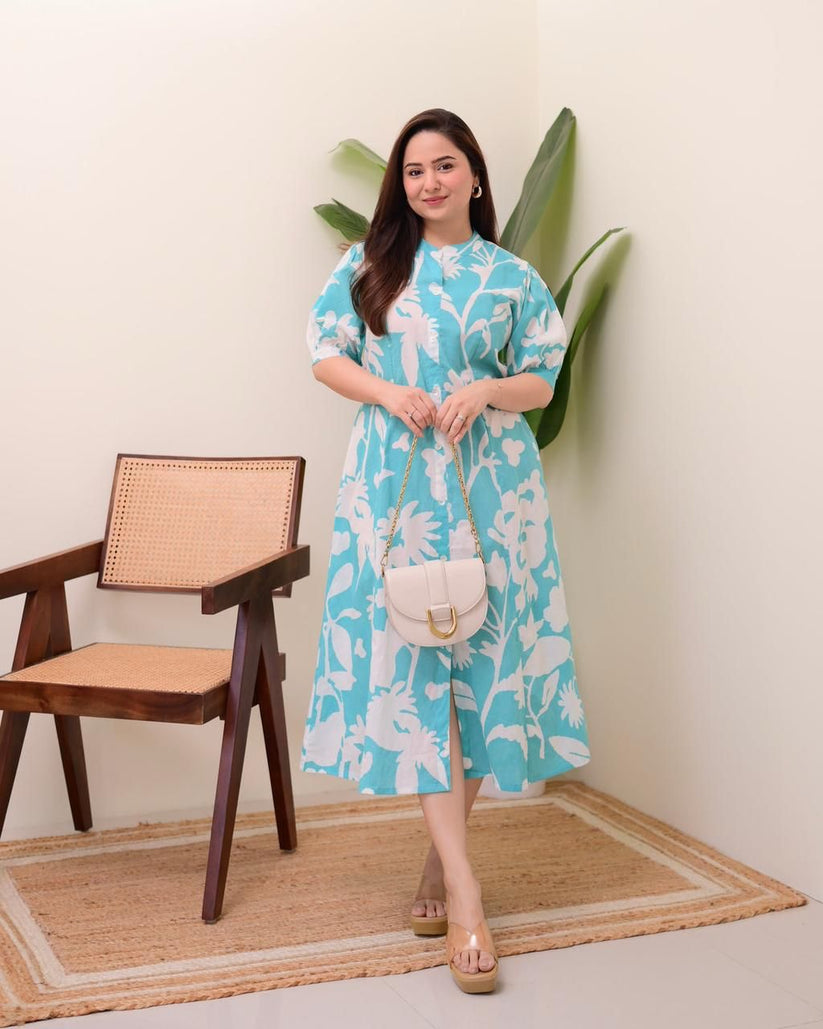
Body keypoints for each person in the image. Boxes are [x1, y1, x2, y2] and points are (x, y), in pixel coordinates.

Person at [301, 108, 591, 994]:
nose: (428, 182)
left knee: (480, 673)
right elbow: (323, 352)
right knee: (421, 671)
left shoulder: (509, 275)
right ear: (402, 184)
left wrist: (487, 389)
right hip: (394, 487)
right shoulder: (370, 264)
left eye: (444, 165)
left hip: (491, 491)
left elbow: (541, 373)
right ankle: (465, 892)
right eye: (413, 169)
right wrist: (389, 393)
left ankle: (441, 860)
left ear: (474, 175)